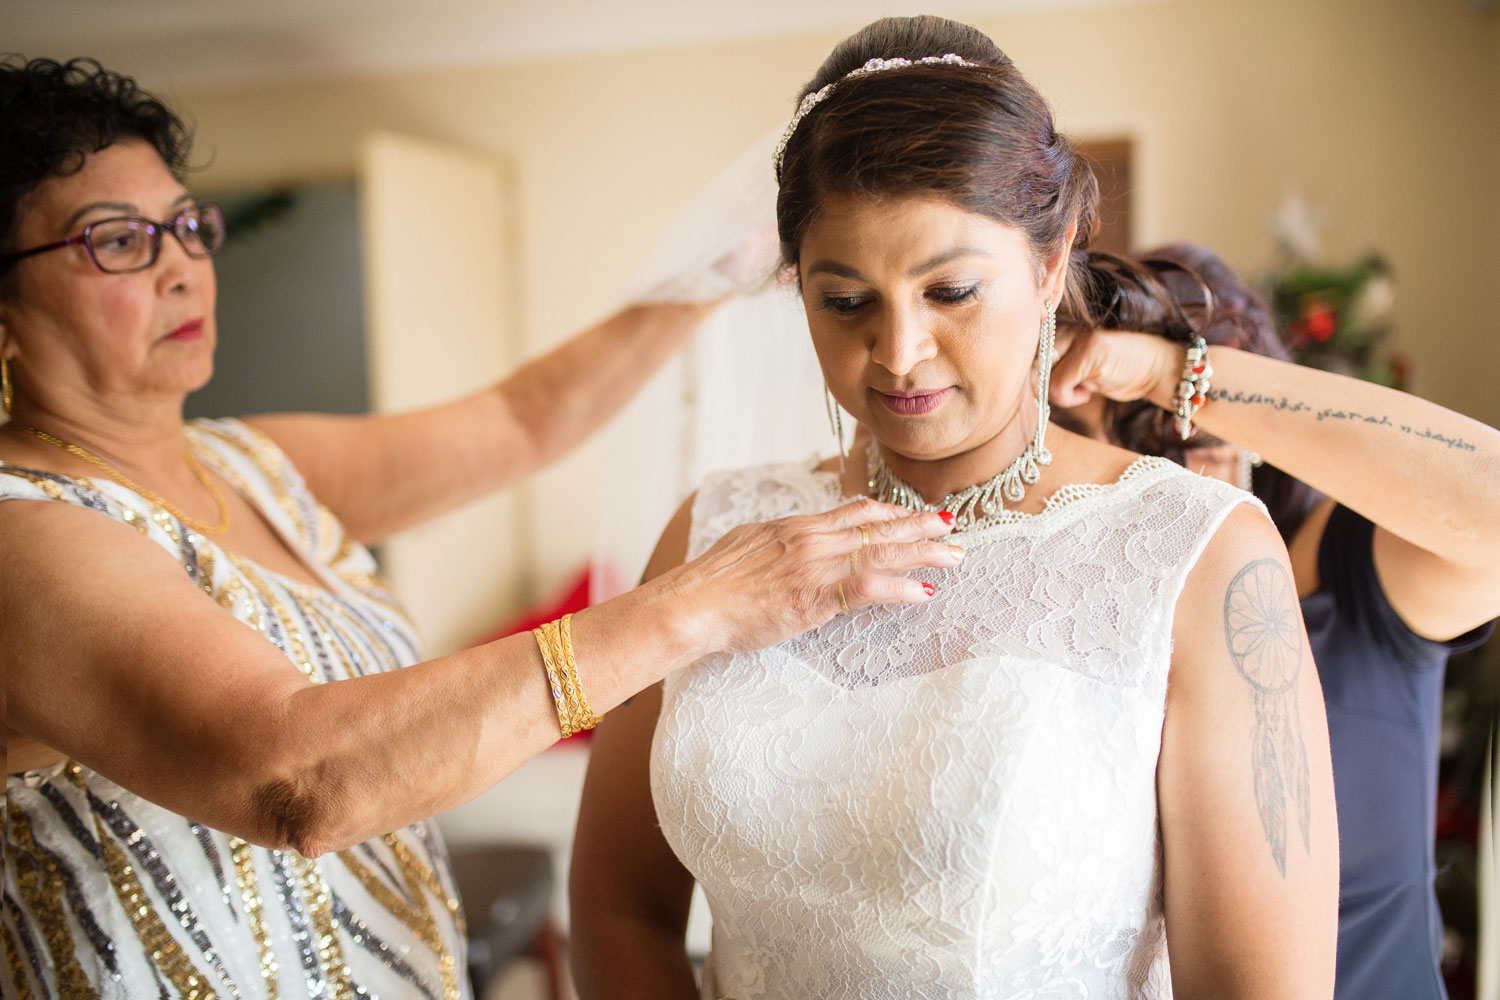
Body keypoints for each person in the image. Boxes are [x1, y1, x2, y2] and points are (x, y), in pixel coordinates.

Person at [0, 57, 960, 999]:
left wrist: (720, 272)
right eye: (116, 240)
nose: (180, 266)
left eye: (184, 225)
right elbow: (298, 777)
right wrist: (698, 604)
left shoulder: (248, 463)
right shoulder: (23, 539)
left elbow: (521, 420)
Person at [570, 16, 1339, 999]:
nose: (898, 352)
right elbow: (619, 903)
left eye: (951, 291)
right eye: (845, 301)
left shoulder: (1194, 552)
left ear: (1053, 261)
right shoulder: (712, 529)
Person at [1047, 244, 1500, 1000]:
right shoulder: (1060, 609)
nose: (1122, 479)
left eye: (1153, 435)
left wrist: (1171, 375)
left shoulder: (1346, 568)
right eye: (1080, 435)